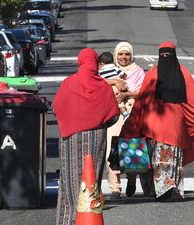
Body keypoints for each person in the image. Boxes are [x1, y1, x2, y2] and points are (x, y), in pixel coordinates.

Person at [120, 41, 194, 202]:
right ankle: (173, 189)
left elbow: (142, 101)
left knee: (158, 158)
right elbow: (193, 102)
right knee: (174, 157)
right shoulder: (183, 73)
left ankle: (160, 190)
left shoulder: (152, 74)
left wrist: (134, 121)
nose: (165, 57)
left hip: (154, 124)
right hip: (175, 124)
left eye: (167, 54)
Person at [53, 48, 120, 225]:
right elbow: (114, 115)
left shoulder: (68, 83)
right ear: (96, 64)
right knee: (91, 180)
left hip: (70, 138)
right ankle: (88, 219)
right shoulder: (103, 86)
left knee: (69, 180)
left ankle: (67, 220)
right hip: (96, 138)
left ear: (80, 62)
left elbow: (56, 107)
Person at [105, 41, 148, 199]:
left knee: (132, 147)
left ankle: (131, 178)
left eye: (127, 54)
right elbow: (99, 82)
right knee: (112, 149)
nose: (124, 57)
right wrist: (114, 81)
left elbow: (144, 91)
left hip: (133, 113)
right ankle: (115, 187)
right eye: (121, 54)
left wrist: (126, 95)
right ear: (116, 55)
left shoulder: (138, 71)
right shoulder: (109, 71)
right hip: (113, 115)